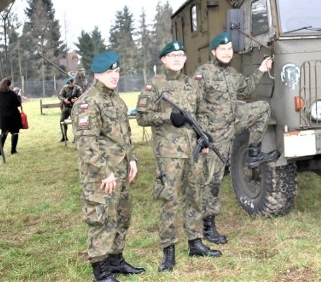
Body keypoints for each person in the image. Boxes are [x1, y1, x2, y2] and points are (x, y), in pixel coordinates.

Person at [136, 40, 221, 273]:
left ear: (185, 59)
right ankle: (169, 251)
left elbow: (201, 113)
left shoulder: (192, 85)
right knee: (169, 201)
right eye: (172, 55)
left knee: (195, 196)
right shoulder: (154, 86)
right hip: (169, 155)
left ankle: (195, 243)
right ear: (163, 60)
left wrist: (204, 137)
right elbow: (142, 116)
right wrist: (167, 117)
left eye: (181, 55)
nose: (177, 59)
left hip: (192, 152)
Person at [194, 32, 279, 244]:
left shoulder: (232, 74)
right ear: (214, 52)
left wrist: (261, 69)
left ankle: (253, 153)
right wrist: (200, 136)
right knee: (212, 181)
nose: (227, 52)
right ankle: (208, 226)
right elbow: (192, 105)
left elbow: (248, 88)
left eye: (230, 49)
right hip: (214, 135)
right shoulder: (203, 73)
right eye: (222, 49)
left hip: (233, 122)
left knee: (262, 108)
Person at [71, 50, 145, 282]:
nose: (114, 76)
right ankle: (101, 272)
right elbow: (86, 143)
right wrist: (105, 172)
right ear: (96, 74)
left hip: (121, 171)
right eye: (108, 72)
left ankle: (116, 260)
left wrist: (132, 159)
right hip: (101, 175)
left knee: (122, 215)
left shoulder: (115, 99)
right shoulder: (87, 103)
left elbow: (125, 135)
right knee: (101, 218)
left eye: (116, 71)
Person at [0, 78, 22, 155]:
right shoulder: (12, 94)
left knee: (4, 133)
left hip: (4, 116)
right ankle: (13, 150)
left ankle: (0, 150)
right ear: (9, 85)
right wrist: (18, 96)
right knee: (14, 132)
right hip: (13, 116)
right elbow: (18, 103)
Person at [58, 77, 83, 142]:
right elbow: (60, 95)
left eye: (71, 84)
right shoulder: (65, 87)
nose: (69, 85)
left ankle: (75, 138)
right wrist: (64, 100)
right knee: (62, 121)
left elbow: (82, 97)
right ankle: (64, 137)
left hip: (74, 108)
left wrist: (76, 99)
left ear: (73, 83)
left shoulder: (78, 88)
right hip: (66, 107)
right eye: (68, 84)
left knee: (75, 122)